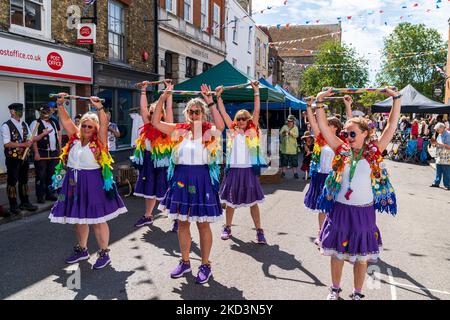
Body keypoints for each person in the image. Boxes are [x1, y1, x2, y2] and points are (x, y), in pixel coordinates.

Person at [315, 87, 401, 300]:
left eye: (352, 133)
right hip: (340, 210)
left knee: (361, 257)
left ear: (365, 134)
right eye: (345, 133)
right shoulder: (341, 150)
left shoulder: (374, 152)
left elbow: (391, 126)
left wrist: (396, 99)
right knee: (336, 253)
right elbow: (324, 127)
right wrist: (319, 101)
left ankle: (358, 293)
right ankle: (334, 289)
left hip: (364, 212)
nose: (347, 137)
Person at [153, 84, 225, 284]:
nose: (194, 114)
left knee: (202, 224)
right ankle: (185, 262)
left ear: (203, 114)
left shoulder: (209, 131)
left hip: (201, 179)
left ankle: (205, 264)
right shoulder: (179, 131)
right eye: (191, 111)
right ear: (186, 114)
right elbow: (155, 121)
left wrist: (210, 101)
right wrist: (163, 98)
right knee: (183, 223)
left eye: (198, 111)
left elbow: (221, 127)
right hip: (181, 179)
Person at [49, 93, 127, 269]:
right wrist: (60, 104)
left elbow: (105, 124)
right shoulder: (74, 139)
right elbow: (66, 120)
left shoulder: (99, 141)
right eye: (83, 125)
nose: (85, 129)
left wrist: (99, 107)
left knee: (98, 220)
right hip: (73, 182)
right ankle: (82, 249)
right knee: (79, 218)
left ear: (96, 129)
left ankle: (104, 252)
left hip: (93, 182)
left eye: (90, 127)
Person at [216, 81, 268, 244]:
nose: (240, 121)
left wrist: (256, 91)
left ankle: (259, 231)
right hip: (233, 171)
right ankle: (227, 227)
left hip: (248, 171)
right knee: (230, 202)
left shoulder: (252, 131)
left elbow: (257, 110)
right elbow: (223, 113)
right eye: (238, 119)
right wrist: (218, 97)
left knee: (253, 202)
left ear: (249, 120)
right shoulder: (232, 131)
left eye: (244, 119)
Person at [133, 80, 174, 229]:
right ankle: (148, 216)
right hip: (149, 159)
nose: (152, 114)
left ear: (161, 114)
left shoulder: (167, 125)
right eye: (151, 112)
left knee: (167, 190)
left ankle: (176, 219)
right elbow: (143, 108)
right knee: (149, 189)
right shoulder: (147, 124)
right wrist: (143, 90)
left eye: (156, 112)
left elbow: (169, 108)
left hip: (164, 161)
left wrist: (168, 92)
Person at [303, 96, 343, 246]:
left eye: (332, 125)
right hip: (321, 176)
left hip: (334, 177)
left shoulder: (342, 142)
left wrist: (347, 105)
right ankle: (320, 233)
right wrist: (309, 106)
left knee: (334, 209)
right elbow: (313, 122)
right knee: (322, 208)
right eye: (328, 124)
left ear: (337, 128)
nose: (329, 127)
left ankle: (333, 234)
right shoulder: (321, 139)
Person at [1, 103, 40, 216]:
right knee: (12, 182)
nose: (20, 112)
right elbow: (7, 144)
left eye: (21, 110)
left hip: (24, 158)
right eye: (18, 110)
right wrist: (24, 144)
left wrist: (40, 136)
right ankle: (13, 206)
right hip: (12, 159)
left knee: (24, 180)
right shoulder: (6, 126)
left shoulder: (24, 124)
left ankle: (25, 202)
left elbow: (29, 139)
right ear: (12, 112)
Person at [30, 105, 62, 203]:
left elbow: (58, 137)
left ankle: (50, 194)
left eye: (48, 111)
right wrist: (36, 153)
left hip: (53, 153)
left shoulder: (54, 122)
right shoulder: (35, 123)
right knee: (41, 175)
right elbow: (33, 140)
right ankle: (40, 196)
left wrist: (59, 150)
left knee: (52, 175)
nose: (46, 113)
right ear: (40, 113)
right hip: (41, 152)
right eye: (44, 111)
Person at [430, 122, 450, 190]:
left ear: (442, 128)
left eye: (438, 130)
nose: (437, 131)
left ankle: (448, 185)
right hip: (440, 154)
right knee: (438, 169)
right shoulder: (440, 134)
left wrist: (437, 143)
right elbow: (438, 143)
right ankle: (436, 183)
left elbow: (448, 146)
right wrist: (434, 144)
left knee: (446, 171)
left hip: (446, 155)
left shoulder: (448, 134)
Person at [280, 115, 299, 179]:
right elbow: (280, 134)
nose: (289, 122)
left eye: (291, 121)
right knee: (284, 162)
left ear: (293, 121)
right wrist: (283, 132)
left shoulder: (295, 128)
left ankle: (295, 173)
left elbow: (296, 135)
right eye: (288, 121)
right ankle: (283, 173)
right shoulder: (284, 126)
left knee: (294, 162)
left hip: (293, 149)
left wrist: (290, 132)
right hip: (284, 148)